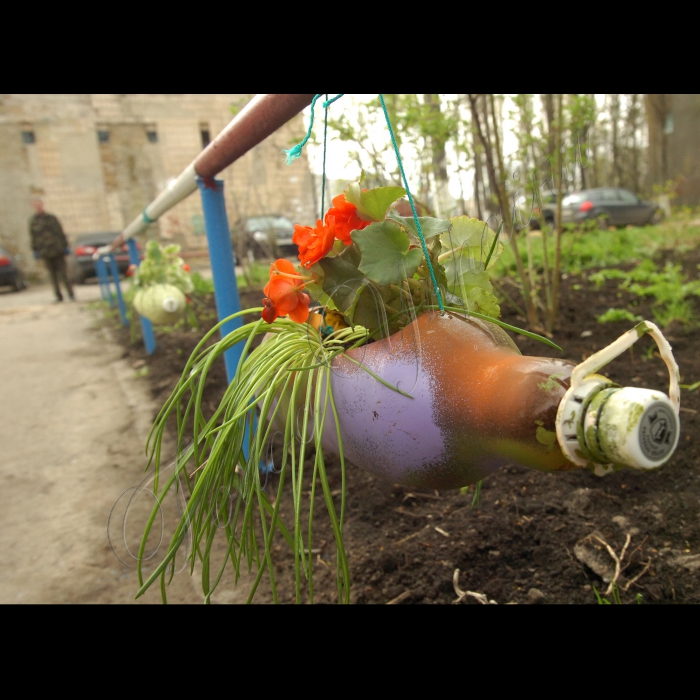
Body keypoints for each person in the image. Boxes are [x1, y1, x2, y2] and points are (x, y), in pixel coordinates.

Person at [29, 199, 75, 302]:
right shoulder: (33, 221)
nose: (39, 207)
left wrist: (65, 246)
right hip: (45, 252)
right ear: (34, 207)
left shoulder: (52, 218)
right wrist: (35, 251)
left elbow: (60, 232)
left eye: (40, 204)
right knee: (52, 275)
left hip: (57, 250)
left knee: (64, 274)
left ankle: (71, 294)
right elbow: (33, 237)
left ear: (43, 205)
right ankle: (58, 296)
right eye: (36, 205)